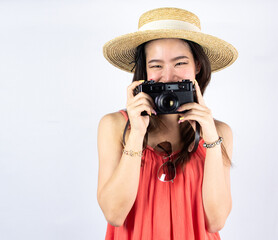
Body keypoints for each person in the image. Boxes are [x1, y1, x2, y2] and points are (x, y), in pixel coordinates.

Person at [97, 7, 238, 240]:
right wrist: (136, 133)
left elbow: (216, 221)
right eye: (156, 65)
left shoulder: (219, 132)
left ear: (197, 67)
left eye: (180, 63)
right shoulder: (114, 125)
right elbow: (114, 214)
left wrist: (210, 138)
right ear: (144, 71)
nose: (168, 76)